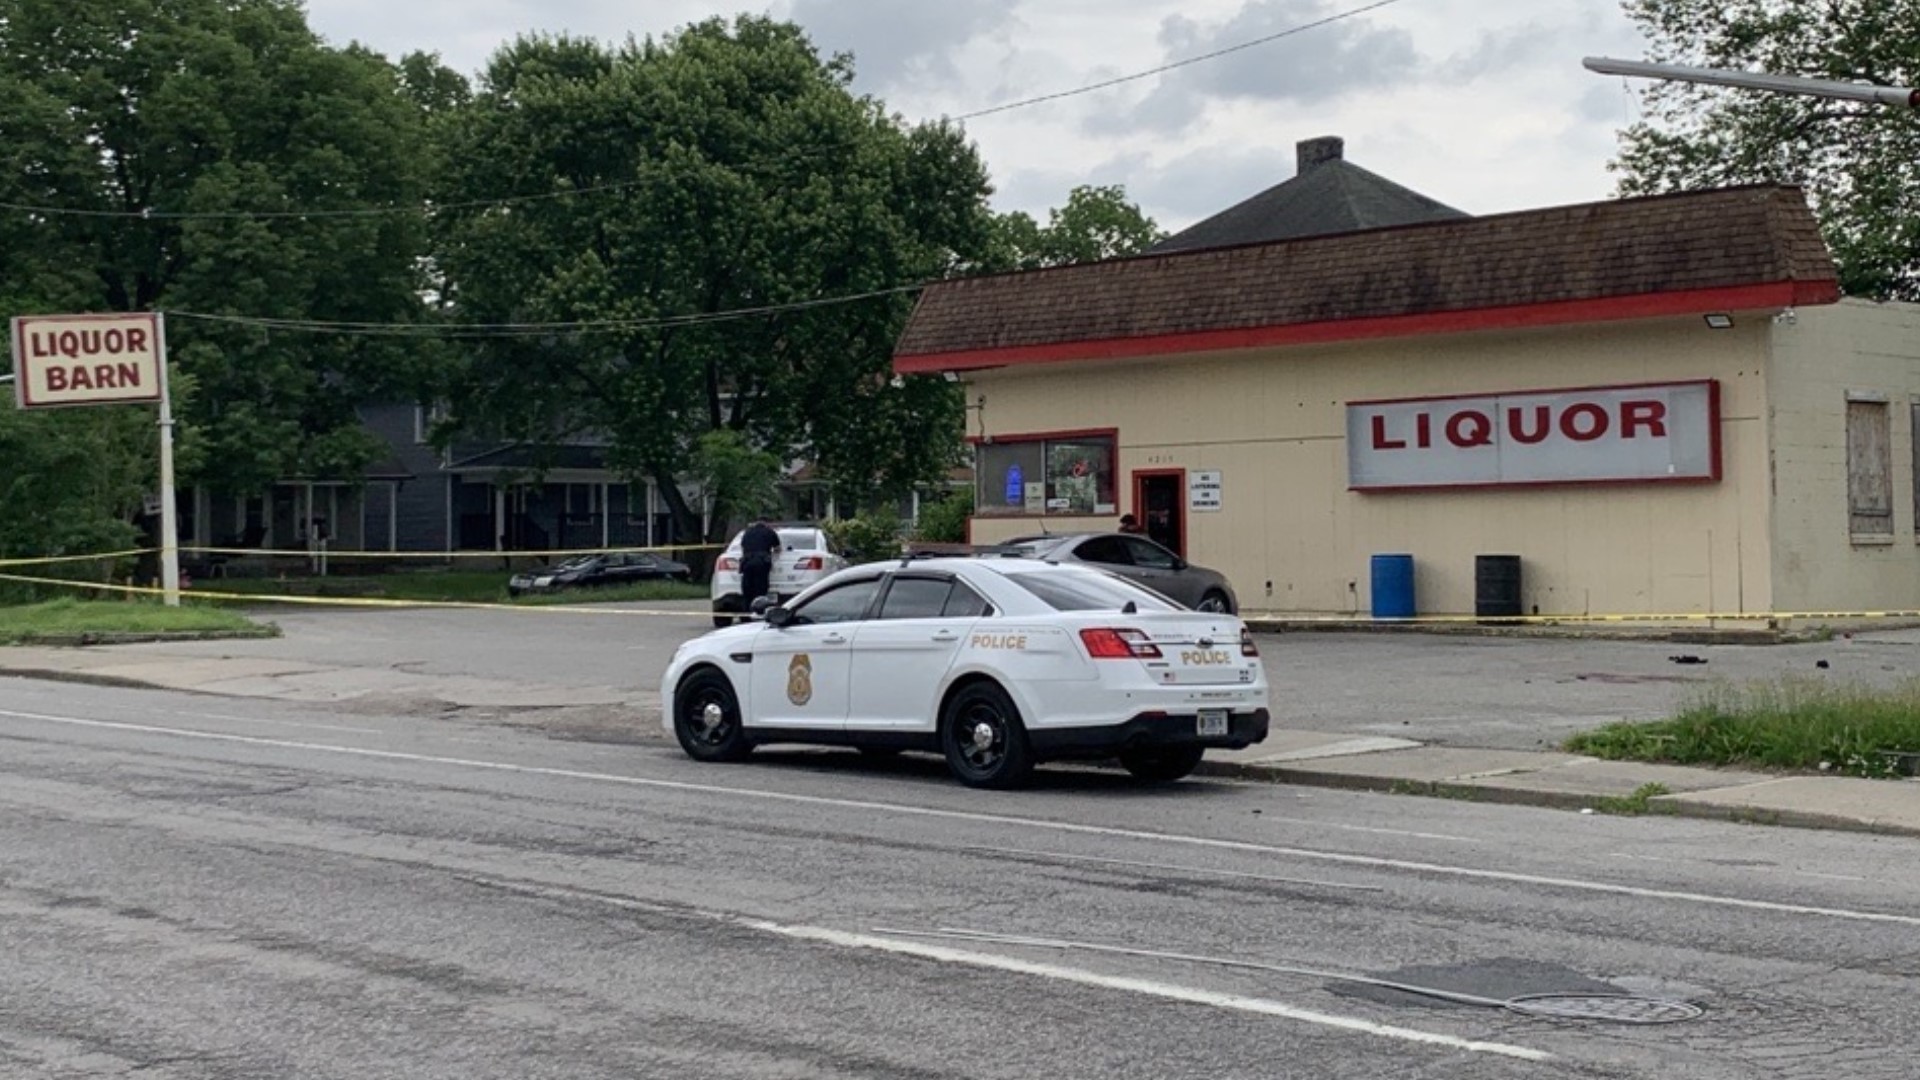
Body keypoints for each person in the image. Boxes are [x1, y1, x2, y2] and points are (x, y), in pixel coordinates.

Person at [738, 518, 782, 607]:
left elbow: (743, 547)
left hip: (747, 562)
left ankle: (746, 611)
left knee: (747, 588)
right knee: (761, 588)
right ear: (766, 523)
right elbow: (777, 548)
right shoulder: (770, 532)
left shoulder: (748, 532)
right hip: (761, 563)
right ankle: (759, 608)